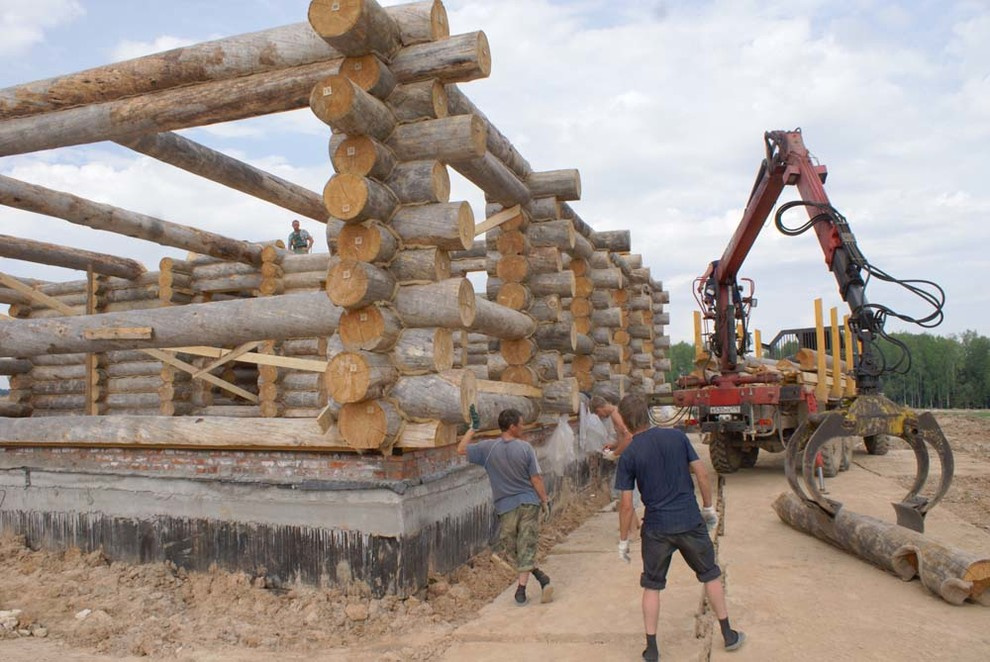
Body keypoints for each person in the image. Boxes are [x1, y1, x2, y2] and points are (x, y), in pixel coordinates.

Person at [613, 393, 745, 660]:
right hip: (688, 520)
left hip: (656, 528)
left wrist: (623, 540)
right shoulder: (677, 437)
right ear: (648, 414)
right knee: (710, 574)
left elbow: (626, 505)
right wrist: (708, 507)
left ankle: (652, 649)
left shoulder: (629, 455)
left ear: (625, 423)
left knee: (652, 586)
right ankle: (728, 634)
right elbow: (702, 472)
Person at [458, 406, 553, 606]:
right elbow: (536, 478)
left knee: (523, 545)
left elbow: (461, 449)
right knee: (514, 548)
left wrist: (472, 429)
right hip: (513, 505)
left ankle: (521, 590)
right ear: (512, 427)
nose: (524, 428)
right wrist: (545, 500)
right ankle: (541, 577)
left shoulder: (494, 448)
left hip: (522, 504)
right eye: (521, 424)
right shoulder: (506, 448)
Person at [590, 394, 641, 537]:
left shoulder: (616, 415)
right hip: (632, 453)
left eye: (598, 413)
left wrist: (615, 454)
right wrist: (614, 445)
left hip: (630, 456)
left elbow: (629, 437)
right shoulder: (617, 413)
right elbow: (623, 438)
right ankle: (635, 525)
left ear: (600, 408)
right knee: (627, 493)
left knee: (626, 493)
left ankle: (632, 532)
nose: (599, 417)